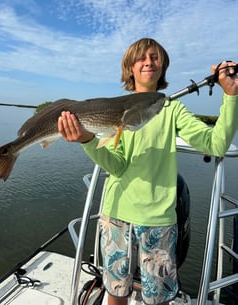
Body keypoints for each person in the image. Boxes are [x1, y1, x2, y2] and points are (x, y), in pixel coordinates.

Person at [58, 38, 238, 305]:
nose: (148, 62)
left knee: (158, 299)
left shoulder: (172, 108)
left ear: (162, 65)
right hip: (116, 216)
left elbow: (216, 144)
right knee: (115, 292)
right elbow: (116, 165)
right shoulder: (113, 110)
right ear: (130, 67)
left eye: (154, 57)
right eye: (141, 58)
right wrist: (87, 140)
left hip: (159, 221)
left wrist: (231, 95)